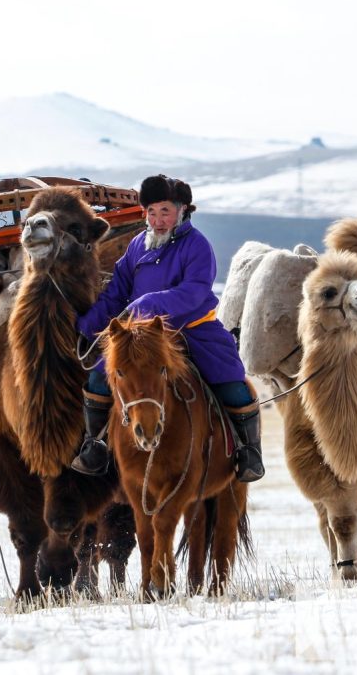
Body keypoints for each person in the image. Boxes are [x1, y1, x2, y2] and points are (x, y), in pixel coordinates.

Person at [70, 174, 265, 483]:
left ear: (182, 210)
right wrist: (85, 326)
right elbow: (117, 293)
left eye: (165, 211)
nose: (158, 220)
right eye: (151, 212)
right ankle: (95, 445)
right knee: (98, 377)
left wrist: (148, 303)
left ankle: (249, 451)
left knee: (230, 381)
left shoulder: (197, 245)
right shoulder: (137, 246)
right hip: (141, 337)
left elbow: (195, 291)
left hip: (192, 328)